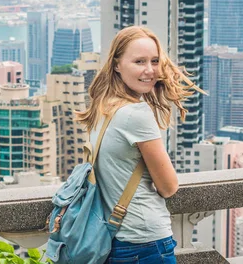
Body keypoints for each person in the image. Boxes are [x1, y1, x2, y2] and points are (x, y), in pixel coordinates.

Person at [76, 26, 205, 263]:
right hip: (146, 241)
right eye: (139, 61)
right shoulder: (137, 114)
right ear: (116, 65)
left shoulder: (103, 107)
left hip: (114, 239)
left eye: (155, 61)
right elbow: (168, 187)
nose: (150, 70)